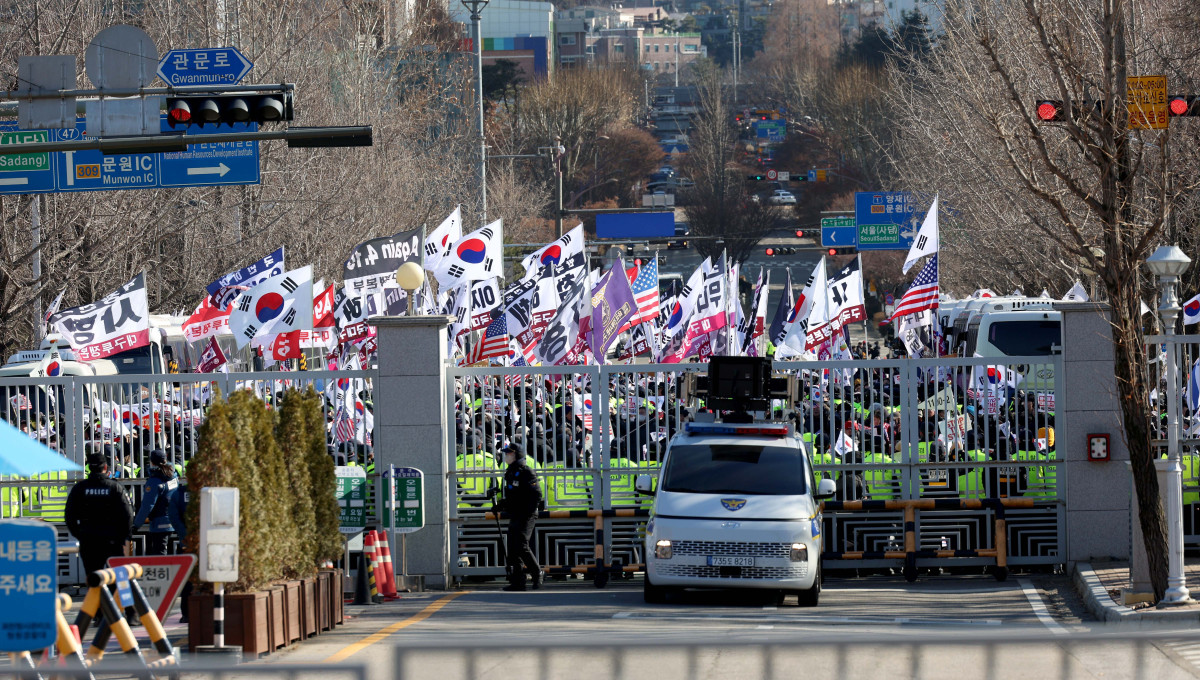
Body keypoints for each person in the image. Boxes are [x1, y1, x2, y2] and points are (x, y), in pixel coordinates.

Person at [65, 451, 135, 578]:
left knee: (94, 581)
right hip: (113, 541)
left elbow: (70, 516)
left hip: (89, 540)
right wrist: (124, 537)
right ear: (105, 467)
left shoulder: (79, 488)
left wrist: (80, 535)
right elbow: (128, 515)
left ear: (89, 467)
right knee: (115, 581)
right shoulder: (115, 487)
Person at [493, 444, 543, 591]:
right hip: (516, 514)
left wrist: (527, 511)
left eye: (509, 453)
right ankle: (518, 581)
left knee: (521, 545)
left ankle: (537, 573)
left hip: (527, 515)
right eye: (506, 453)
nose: (506, 456)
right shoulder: (510, 472)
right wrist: (500, 506)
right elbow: (512, 496)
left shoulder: (526, 471)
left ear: (517, 455)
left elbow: (537, 495)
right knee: (513, 547)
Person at [132, 449, 179, 556]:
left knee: (160, 555)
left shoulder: (154, 481)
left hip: (160, 523)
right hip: (173, 520)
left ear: (152, 462)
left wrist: (136, 525)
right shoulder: (173, 476)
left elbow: (147, 505)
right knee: (171, 554)